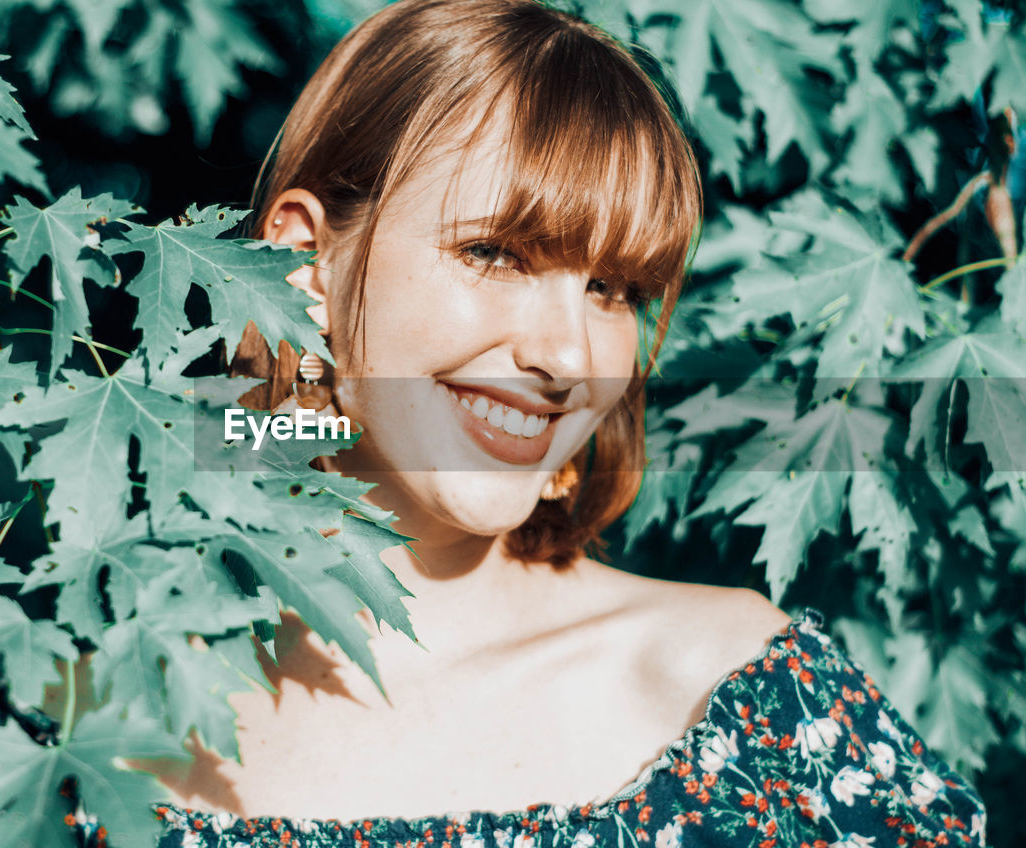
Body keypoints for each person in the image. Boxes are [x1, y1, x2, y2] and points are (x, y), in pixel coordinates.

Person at [146, 1, 990, 846]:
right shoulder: (94, 718)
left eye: (613, 290)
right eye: (496, 254)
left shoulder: (747, 704)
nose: (568, 354)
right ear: (305, 265)